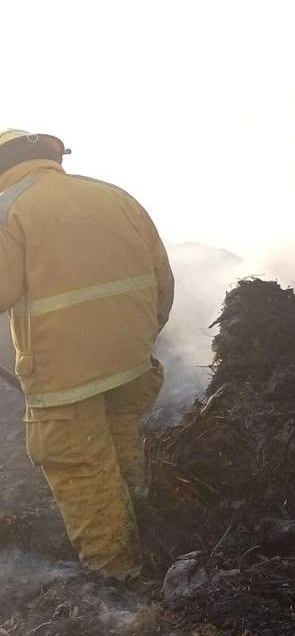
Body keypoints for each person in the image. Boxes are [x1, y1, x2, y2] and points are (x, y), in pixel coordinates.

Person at [0, 128, 173, 579]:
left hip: (66, 379)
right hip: (133, 361)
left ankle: (119, 579)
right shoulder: (114, 196)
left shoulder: (8, 210)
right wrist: (139, 335)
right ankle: (145, 525)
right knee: (120, 443)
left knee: (82, 468)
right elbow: (163, 283)